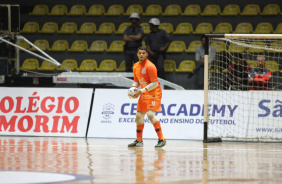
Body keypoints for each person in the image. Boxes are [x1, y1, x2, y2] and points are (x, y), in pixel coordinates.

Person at [128, 46, 166, 148]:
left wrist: (141, 90)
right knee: (139, 116)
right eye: (139, 53)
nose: (141, 55)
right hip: (144, 92)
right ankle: (139, 141)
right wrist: (132, 90)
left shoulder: (150, 66)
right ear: (137, 54)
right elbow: (137, 81)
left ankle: (161, 139)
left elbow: (154, 83)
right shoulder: (135, 66)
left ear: (146, 54)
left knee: (150, 114)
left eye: (143, 53)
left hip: (154, 93)